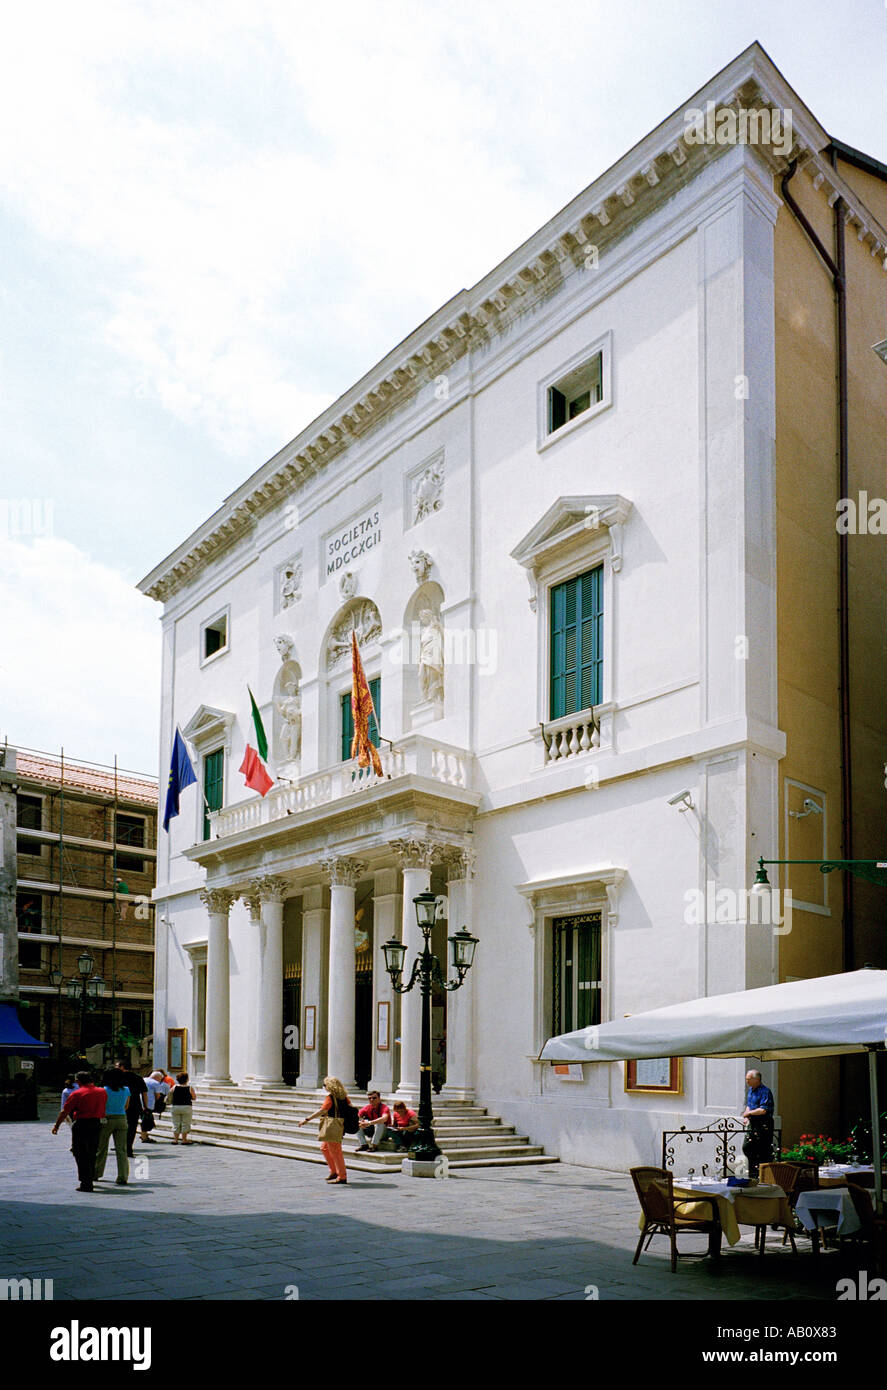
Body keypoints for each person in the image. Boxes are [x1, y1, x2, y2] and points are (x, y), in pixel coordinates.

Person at [51, 1071, 106, 1191]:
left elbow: (64, 1111)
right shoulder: (102, 1092)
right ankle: (90, 1177)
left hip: (82, 1124)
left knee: (80, 1153)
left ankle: (85, 1182)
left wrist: (57, 1125)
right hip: (96, 1123)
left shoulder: (77, 1093)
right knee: (92, 1152)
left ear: (77, 1081)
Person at [298, 1076, 350, 1183]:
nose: (324, 1087)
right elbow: (351, 1109)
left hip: (332, 1126)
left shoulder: (330, 1098)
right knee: (325, 1148)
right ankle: (334, 1171)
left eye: (325, 1085)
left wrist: (307, 1119)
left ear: (329, 1086)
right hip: (339, 1125)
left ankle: (342, 1176)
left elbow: (322, 1111)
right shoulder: (344, 1097)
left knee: (336, 1152)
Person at [95, 1068, 130, 1185]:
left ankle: (96, 1173)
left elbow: (100, 1106)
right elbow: (126, 1106)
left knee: (101, 1148)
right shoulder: (126, 1089)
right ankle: (123, 1176)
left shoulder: (103, 1090)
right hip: (121, 1118)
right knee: (121, 1150)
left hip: (107, 1118)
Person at [741, 1068, 775, 1178]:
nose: (747, 1081)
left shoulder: (765, 1091)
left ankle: (762, 1176)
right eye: (746, 1079)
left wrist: (749, 1113)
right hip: (753, 1124)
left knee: (762, 1151)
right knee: (747, 1147)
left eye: (749, 1079)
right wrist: (747, 1115)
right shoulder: (751, 1090)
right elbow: (749, 1105)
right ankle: (753, 1173)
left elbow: (763, 1110)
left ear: (757, 1079)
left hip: (763, 1124)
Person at [115, 1059, 148, 1157]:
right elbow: (144, 1093)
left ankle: (121, 1147)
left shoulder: (116, 1078)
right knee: (132, 1127)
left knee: (119, 1127)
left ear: (122, 1067)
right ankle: (128, 1147)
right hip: (135, 1105)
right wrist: (145, 1106)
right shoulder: (138, 1078)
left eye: (117, 1066)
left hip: (119, 1105)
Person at [140, 1070, 170, 1142]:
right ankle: (144, 1137)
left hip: (139, 1102)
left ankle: (144, 1135)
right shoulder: (155, 1083)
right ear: (157, 1078)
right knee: (146, 1120)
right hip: (149, 1104)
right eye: (160, 1079)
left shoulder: (143, 1079)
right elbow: (157, 1095)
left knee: (143, 1118)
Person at [169, 1073, 197, 1144]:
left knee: (176, 1123)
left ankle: (175, 1139)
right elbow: (194, 1097)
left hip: (175, 1107)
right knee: (185, 1123)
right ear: (187, 1079)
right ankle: (184, 1139)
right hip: (186, 1107)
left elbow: (170, 1096)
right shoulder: (190, 1088)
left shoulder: (174, 1087)